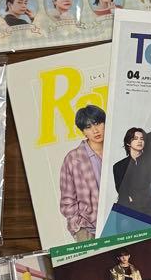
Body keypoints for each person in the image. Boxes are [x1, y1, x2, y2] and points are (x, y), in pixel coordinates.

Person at [59, 103, 105, 240]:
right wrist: (79, 227)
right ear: (83, 131)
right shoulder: (73, 159)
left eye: (97, 123)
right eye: (88, 127)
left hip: (118, 223)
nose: (95, 130)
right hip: (88, 229)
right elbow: (67, 200)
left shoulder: (119, 151)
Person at [113, 127, 145, 197]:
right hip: (128, 202)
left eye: (142, 139)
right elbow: (121, 190)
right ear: (128, 143)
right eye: (135, 139)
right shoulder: (118, 166)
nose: (139, 141)